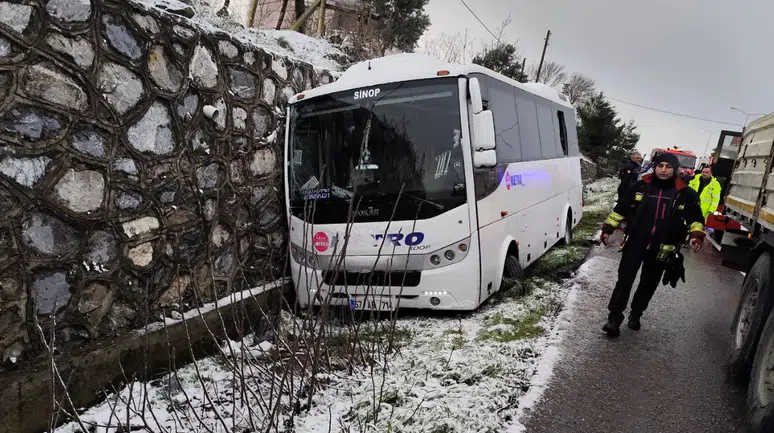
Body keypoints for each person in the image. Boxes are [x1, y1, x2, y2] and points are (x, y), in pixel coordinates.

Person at [599, 152, 706, 337]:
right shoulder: (641, 186)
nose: (663, 170)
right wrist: (608, 228)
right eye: (660, 166)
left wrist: (696, 235)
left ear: (675, 169)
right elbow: (621, 208)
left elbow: (695, 217)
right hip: (635, 243)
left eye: (668, 166)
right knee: (624, 281)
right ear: (655, 166)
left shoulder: (685, 193)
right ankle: (614, 318)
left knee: (648, 284)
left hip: (662, 249)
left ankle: (636, 313)